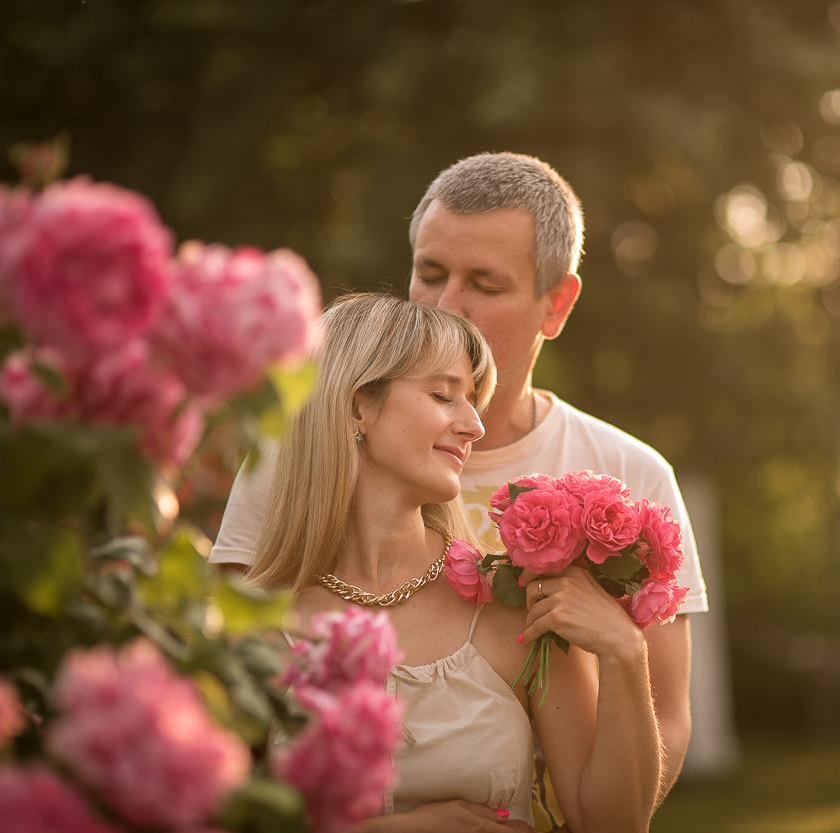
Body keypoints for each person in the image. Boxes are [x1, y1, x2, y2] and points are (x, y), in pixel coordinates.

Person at [213, 152, 708, 828]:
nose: (448, 305)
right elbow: (222, 758)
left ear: (555, 303)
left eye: (485, 282)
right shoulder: (281, 480)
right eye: (430, 273)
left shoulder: (626, 479)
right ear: (358, 406)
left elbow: (658, 733)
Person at [253, 293, 658, 833]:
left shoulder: (516, 603)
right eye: (444, 395)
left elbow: (613, 825)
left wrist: (626, 655)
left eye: (473, 401)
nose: (475, 426)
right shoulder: (252, 625)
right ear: (357, 406)